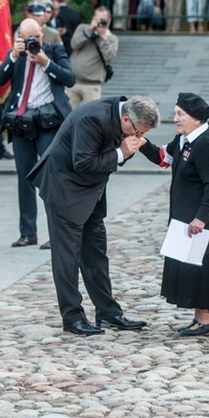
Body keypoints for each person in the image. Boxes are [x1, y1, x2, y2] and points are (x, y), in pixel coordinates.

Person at [29, 95, 160, 335]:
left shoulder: (124, 115)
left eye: (142, 134)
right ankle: (73, 318)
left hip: (91, 193)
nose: (138, 138)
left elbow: (122, 151)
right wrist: (121, 153)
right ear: (126, 118)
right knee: (67, 257)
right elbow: (83, 162)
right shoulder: (93, 118)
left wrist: (145, 154)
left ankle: (109, 314)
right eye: (138, 132)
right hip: (63, 187)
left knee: (96, 253)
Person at [139, 93, 209, 336]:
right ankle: (199, 318)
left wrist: (201, 217)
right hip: (185, 219)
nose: (175, 118)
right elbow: (164, 158)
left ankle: (208, 320)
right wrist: (141, 143)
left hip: (202, 221)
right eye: (176, 113)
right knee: (190, 269)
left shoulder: (207, 144)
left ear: (197, 120)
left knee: (204, 269)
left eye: (181, 114)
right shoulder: (184, 140)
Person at [0, 18, 74, 250]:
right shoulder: (16, 56)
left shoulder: (54, 51)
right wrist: (12, 56)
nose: (33, 42)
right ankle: (28, 233)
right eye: (28, 38)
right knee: (24, 178)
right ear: (19, 37)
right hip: (21, 122)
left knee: (51, 178)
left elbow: (70, 78)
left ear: (42, 35)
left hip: (48, 122)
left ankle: (56, 233)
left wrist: (45, 62)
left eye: (37, 37)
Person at [66, 7, 118, 109]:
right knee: (66, 115)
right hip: (72, 83)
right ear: (93, 18)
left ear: (109, 21)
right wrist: (89, 30)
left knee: (92, 116)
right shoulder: (82, 28)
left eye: (103, 19)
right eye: (97, 18)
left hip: (92, 85)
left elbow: (109, 57)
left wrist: (103, 37)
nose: (99, 22)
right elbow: (74, 44)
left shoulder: (112, 38)